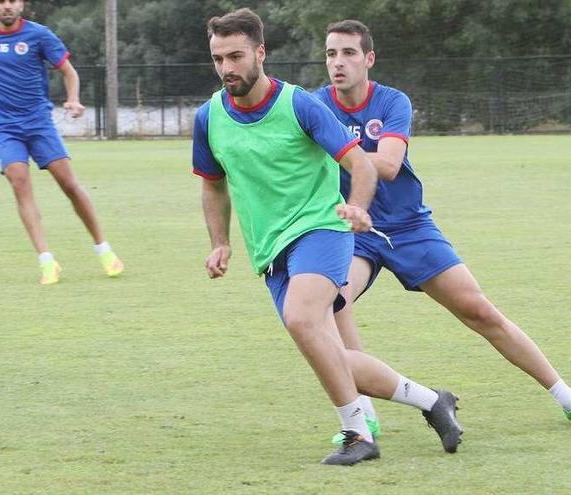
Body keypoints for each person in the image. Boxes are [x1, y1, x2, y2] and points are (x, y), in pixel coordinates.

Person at [313, 19, 571, 430]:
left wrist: (339, 153)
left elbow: (387, 165)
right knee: (333, 305)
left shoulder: (391, 102)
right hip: (354, 230)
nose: (339, 62)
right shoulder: (314, 105)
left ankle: (570, 398)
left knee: (480, 310)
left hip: (408, 227)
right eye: (331, 53)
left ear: (368, 59)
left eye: (349, 52)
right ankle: (362, 418)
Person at [193, 8, 464, 466]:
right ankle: (431, 401)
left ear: (260, 53)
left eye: (236, 56)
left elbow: (360, 163)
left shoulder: (300, 104)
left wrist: (357, 207)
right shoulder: (208, 117)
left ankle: (357, 434)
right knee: (326, 348)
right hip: (269, 249)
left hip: (322, 229)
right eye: (218, 59)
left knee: (303, 321)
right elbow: (213, 184)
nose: (227, 69)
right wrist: (220, 242)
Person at [0, 0, 123, 285]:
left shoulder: (40, 35)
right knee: (19, 181)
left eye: (12, 0)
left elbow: (69, 72)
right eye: (0, 1)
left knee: (69, 184)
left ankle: (104, 249)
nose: (7, 6)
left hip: (38, 124)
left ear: (21, 5)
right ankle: (47, 261)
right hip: (4, 127)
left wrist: (73, 99)